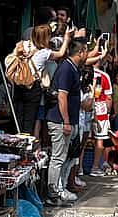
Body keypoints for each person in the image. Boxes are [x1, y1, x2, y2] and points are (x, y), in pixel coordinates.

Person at [45, 39, 88, 206]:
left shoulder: (73, 68)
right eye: (85, 51)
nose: (86, 54)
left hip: (69, 120)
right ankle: (53, 193)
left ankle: (60, 188)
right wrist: (67, 122)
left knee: (67, 157)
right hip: (60, 121)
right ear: (79, 53)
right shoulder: (66, 69)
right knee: (58, 157)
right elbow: (62, 96)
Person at [14, 24, 71, 136]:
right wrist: (66, 39)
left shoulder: (25, 46)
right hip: (32, 87)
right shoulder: (44, 53)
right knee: (29, 122)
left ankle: (16, 141)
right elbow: (60, 54)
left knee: (18, 118)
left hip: (19, 85)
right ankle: (24, 147)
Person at [89, 65, 114, 177]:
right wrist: (108, 112)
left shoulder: (83, 70)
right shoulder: (104, 76)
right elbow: (108, 97)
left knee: (84, 140)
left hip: (85, 107)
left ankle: (79, 168)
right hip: (100, 110)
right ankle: (94, 167)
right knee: (100, 139)